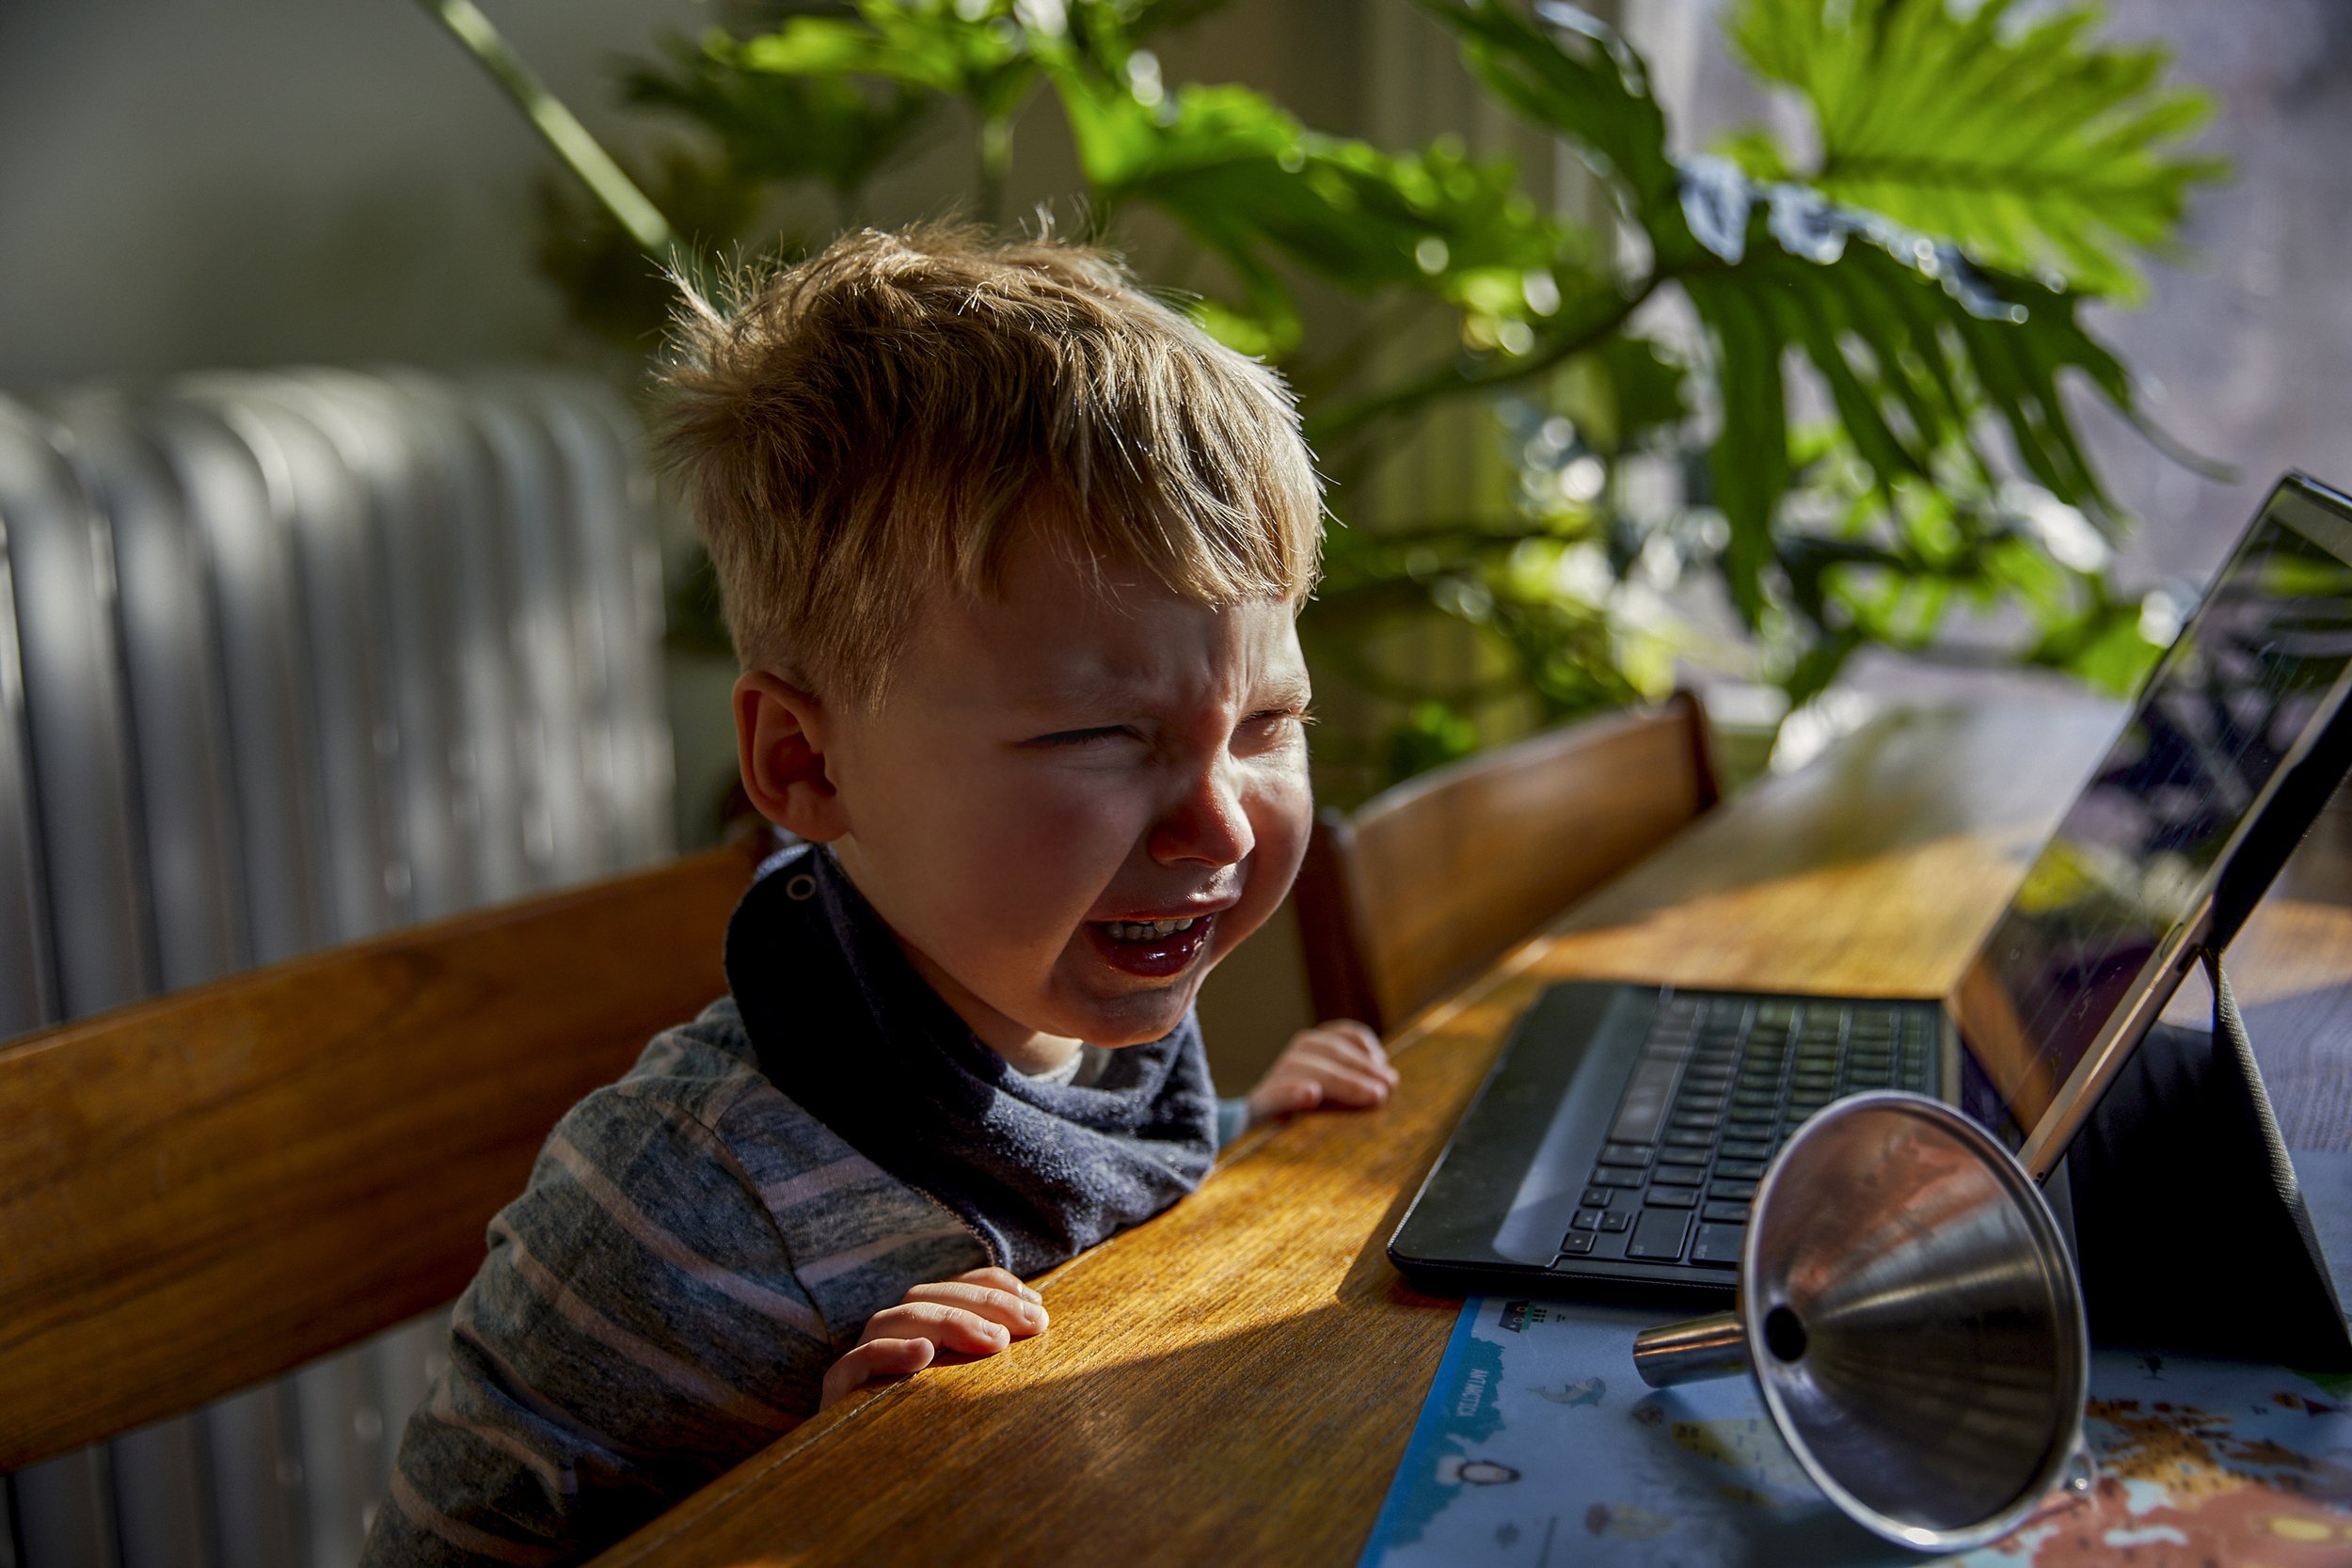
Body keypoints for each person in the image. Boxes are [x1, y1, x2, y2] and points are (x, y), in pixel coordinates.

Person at [363, 222, 1397, 1567]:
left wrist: (1250, 1135)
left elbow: (1073, 1192)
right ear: (805, 765)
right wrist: (831, 1494)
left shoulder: (1069, 974)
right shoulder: (685, 1210)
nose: (1216, 820)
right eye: (1093, 737)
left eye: (1267, 722)